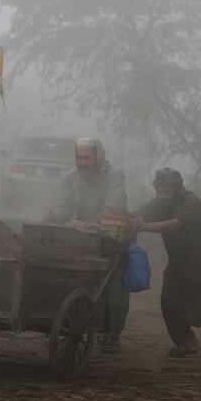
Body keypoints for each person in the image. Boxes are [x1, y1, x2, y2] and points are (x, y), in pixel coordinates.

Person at [134, 168, 201, 367]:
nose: (163, 195)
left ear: (177, 188)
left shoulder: (191, 201)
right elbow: (136, 214)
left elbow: (175, 224)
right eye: (160, 190)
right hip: (179, 262)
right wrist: (119, 219)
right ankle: (186, 342)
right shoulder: (159, 203)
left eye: (167, 190)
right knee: (168, 300)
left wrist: (144, 227)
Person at [46, 137, 130, 354]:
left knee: (115, 287)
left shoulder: (115, 175)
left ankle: (113, 335)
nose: (82, 163)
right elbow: (64, 206)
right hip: (84, 237)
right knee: (77, 279)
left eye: (87, 158)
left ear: (98, 156)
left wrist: (88, 223)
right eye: (79, 158)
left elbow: (111, 208)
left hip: (113, 237)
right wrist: (55, 214)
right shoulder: (70, 178)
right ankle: (80, 323)